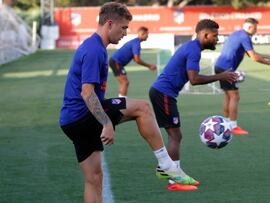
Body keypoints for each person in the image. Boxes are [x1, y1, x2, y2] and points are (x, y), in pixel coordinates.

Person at [59, 3, 197, 202]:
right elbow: (87, 93)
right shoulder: (94, 50)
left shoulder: (95, 46)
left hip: (70, 121)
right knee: (143, 107)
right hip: (83, 114)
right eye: (123, 28)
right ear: (109, 23)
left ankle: (167, 166)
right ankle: (167, 165)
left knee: (94, 179)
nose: (125, 33)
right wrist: (106, 123)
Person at [149, 19, 238, 191]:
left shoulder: (192, 47)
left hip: (164, 93)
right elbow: (194, 79)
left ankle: (171, 172)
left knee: (175, 135)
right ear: (204, 35)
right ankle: (174, 181)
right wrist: (221, 76)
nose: (217, 39)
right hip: (163, 93)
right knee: (175, 136)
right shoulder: (194, 50)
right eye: (215, 35)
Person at [214, 18, 270, 135]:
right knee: (235, 96)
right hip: (227, 69)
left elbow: (250, 54)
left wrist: (268, 56)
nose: (256, 30)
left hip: (219, 67)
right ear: (250, 27)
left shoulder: (237, 34)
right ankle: (233, 127)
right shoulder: (245, 37)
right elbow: (254, 57)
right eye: (255, 28)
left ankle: (226, 123)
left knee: (228, 95)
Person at [109, 26, 157, 97]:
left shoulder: (136, 42)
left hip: (116, 62)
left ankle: (121, 101)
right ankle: (122, 103)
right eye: (147, 34)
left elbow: (135, 59)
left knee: (124, 82)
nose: (148, 36)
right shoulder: (136, 44)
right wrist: (149, 66)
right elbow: (137, 60)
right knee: (124, 82)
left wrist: (148, 66)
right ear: (142, 34)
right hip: (116, 62)